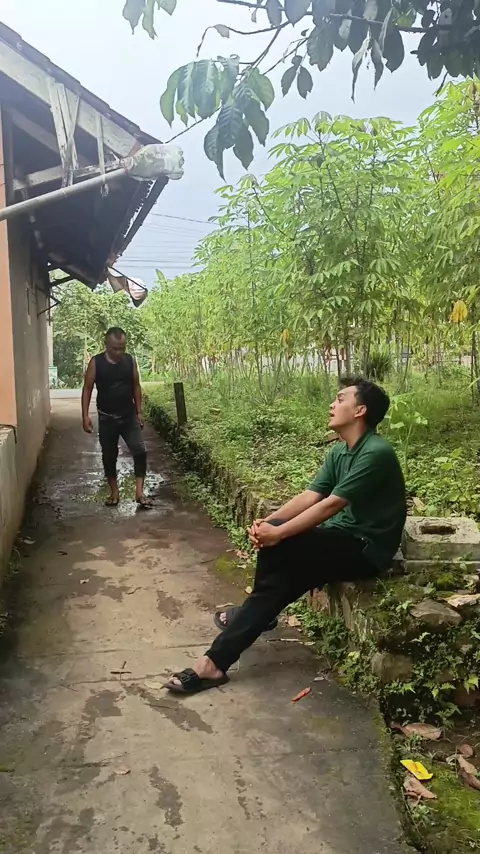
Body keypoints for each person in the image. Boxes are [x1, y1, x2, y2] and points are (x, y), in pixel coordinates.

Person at [164, 376, 406, 695]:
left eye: (340, 399)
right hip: (339, 539)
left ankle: (247, 623)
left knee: (280, 550)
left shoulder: (375, 452)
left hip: (366, 549)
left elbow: (330, 505)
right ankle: (214, 663)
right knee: (275, 588)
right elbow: (310, 495)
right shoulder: (339, 452)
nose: (332, 405)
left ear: (360, 410)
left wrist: (277, 533)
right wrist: (268, 522)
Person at [81, 327, 152, 509]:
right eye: (115, 348)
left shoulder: (129, 361)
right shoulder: (96, 363)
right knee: (109, 455)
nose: (119, 352)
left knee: (139, 451)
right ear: (106, 345)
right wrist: (85, 416)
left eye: (122, 348)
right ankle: (114, 492)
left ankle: (139, 493)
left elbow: (136, 386)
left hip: (129, 416)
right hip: (107, 418)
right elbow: (87, 388)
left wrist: (139, 412)